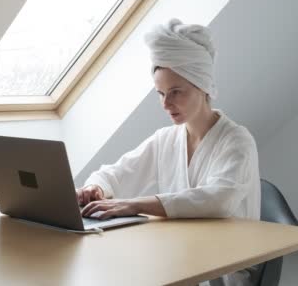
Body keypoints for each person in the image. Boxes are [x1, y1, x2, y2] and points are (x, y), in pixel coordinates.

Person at [77, 19, 261, 286]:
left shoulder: (237, 141)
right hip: (182, 258)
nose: (166, 104)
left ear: (203, 86)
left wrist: (133, 204)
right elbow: (116, 173)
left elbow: (218, 199)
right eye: (160, 93)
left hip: (225, 269)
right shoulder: (166, 139)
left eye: (176, 92)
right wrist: (96, 188)